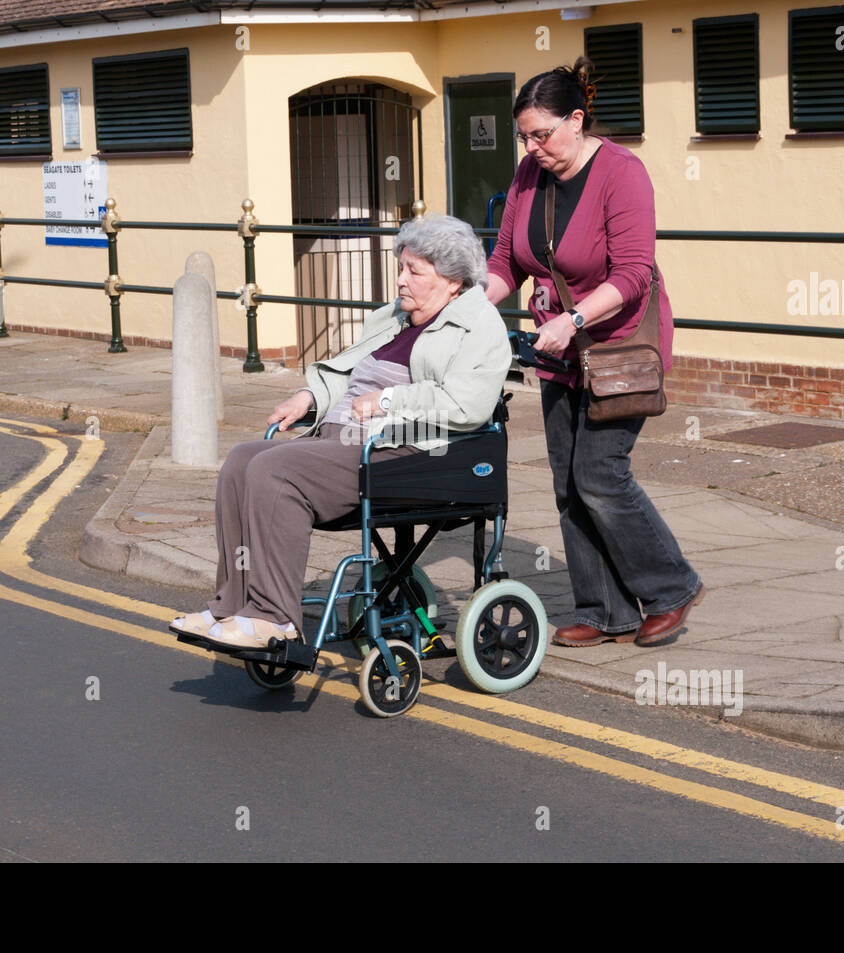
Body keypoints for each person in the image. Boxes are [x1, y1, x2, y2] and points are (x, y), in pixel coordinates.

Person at [172, 213, 512, 649]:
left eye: (414, 271)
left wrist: (391, 400)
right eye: (400, 268)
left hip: (407, 451)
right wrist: (311, 397)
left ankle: (273, 618)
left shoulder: (479, 326)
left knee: (275, 470)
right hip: (346, 437)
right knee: (242, 459)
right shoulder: (395, 318)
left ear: (452, 281)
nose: (400, 281)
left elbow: (467, 405)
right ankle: (232, 609)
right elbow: (351, 372)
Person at [484, 56, 704, 647]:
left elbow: (633, 274)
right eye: (524, 136)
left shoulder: (622, 173)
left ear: (577, 120)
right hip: (558, 349)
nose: (532, 148)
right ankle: (606, 610)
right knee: (566, 481)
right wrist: (469, 304)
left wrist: (576, 316)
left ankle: (671, 588)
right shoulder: (529, 176)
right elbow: (506, 262)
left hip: (618, 345)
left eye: (543, 134)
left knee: (600, 474)